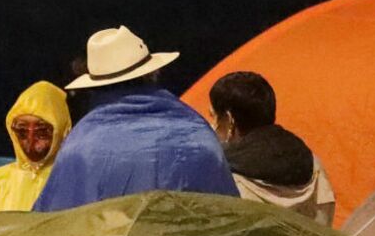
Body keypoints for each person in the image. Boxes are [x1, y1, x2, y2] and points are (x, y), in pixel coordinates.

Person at [33, 26, 237, 211]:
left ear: (93, 87)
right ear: (152, 73)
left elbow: (54, 227)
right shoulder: (198, 134)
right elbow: (230, 220)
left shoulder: (80, 145)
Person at [208, 70, 336, 223]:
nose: (211, 125)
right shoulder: (313, 164)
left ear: (230, 120)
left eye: (213, 116)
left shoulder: (230, 185)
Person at [0, 80, 72, 216]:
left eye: (41, 131)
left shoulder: (73, 180)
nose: (31, 139)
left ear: (61, 131)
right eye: (22, 130)